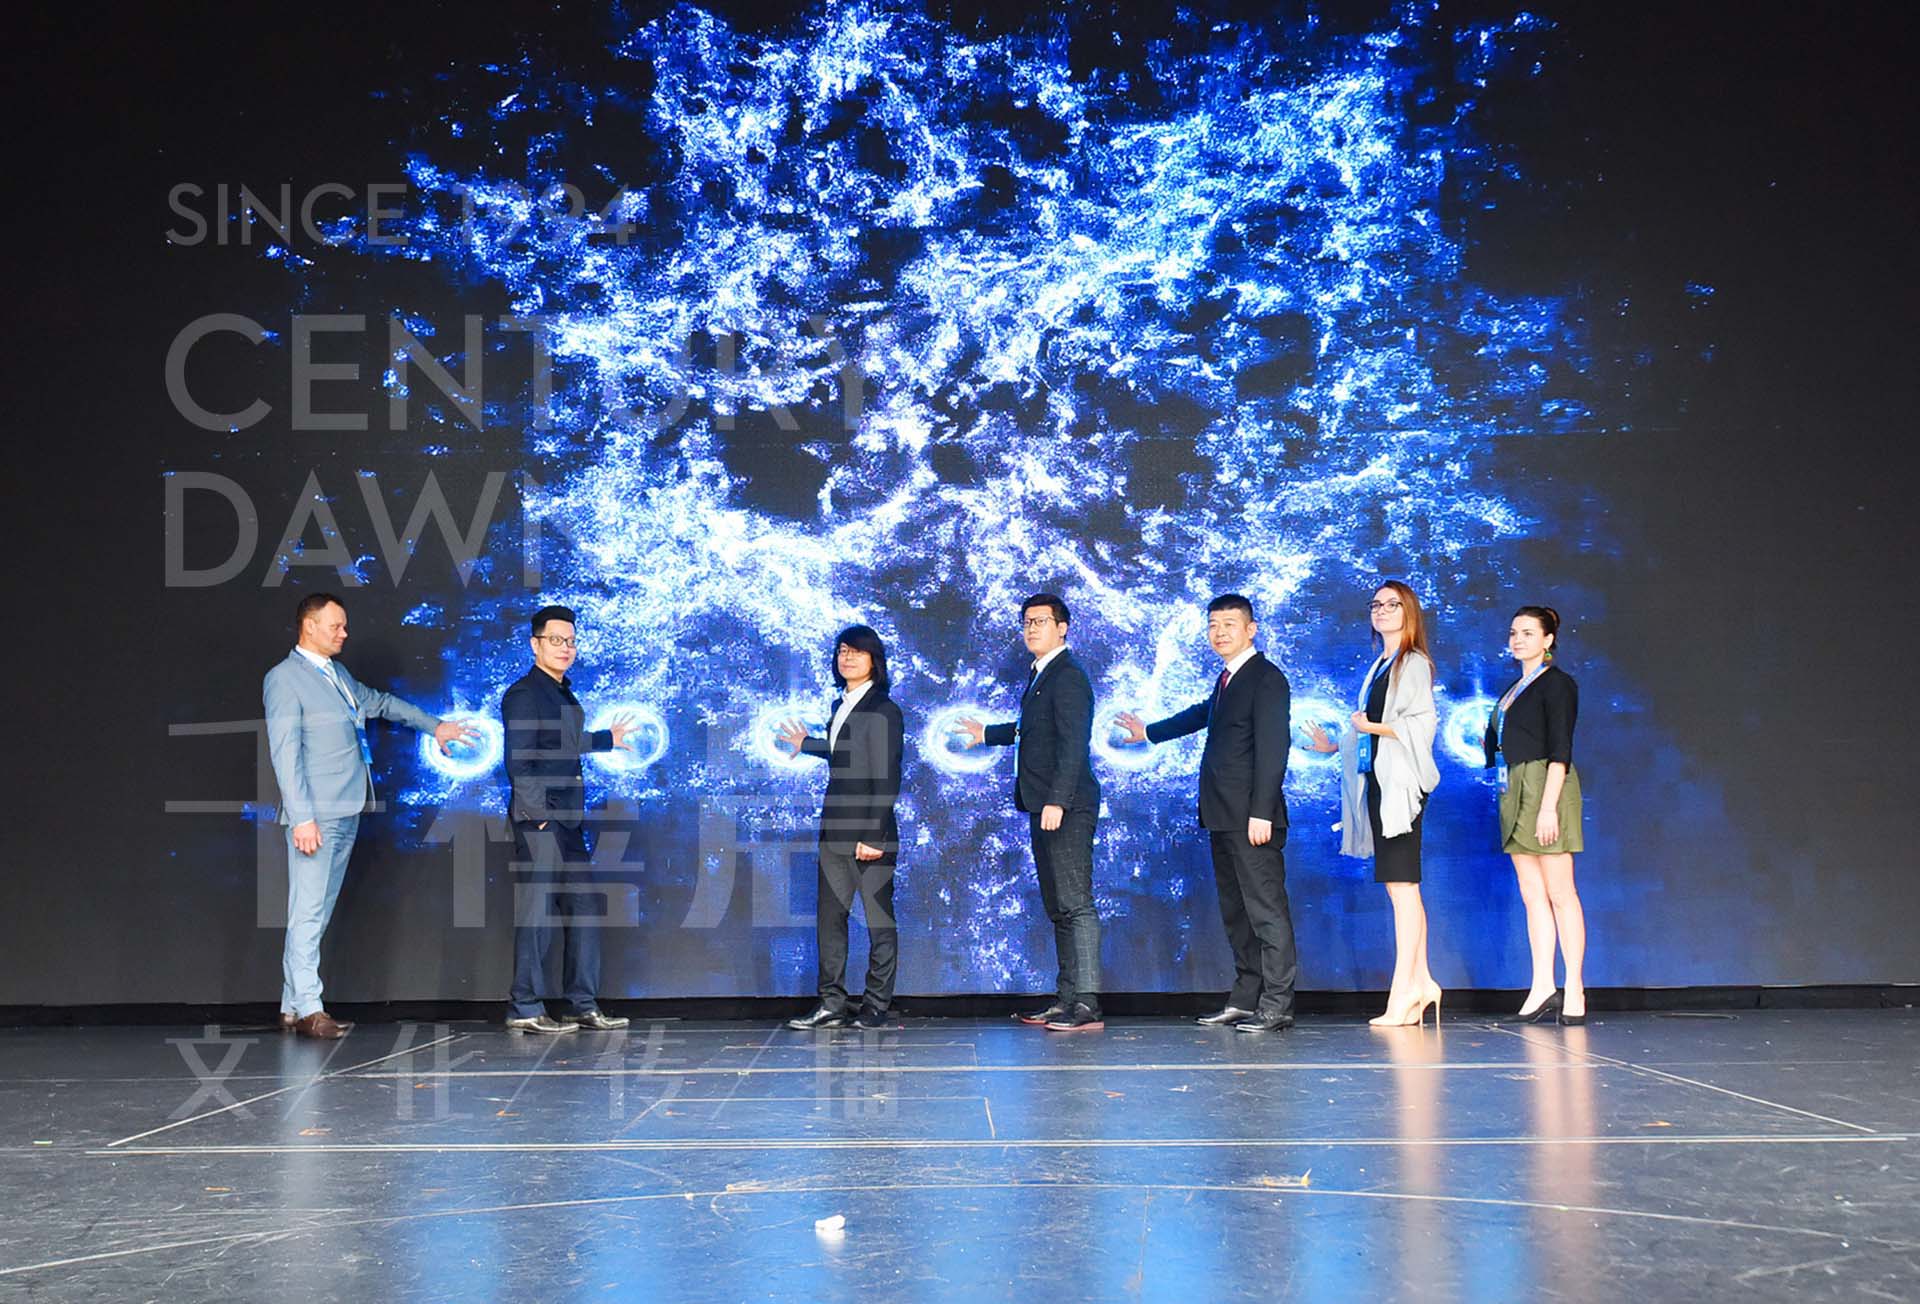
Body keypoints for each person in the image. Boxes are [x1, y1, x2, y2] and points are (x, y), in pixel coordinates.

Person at [263, 593, 477, 1039]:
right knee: (308, 912)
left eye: (344, 626)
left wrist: (435, 726)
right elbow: (285, 755)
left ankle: (291, 1004)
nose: (344, 633)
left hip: (347, 807)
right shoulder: (284, 679)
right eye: (335, 626)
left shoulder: (337, 674)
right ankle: (310, 1008)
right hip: (316, 814)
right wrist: (302, 818)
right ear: (308, 626)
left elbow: (380, 703)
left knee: (316, 911)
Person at [1116, 594, 1298, 1033]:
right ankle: (1245, 998)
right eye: (1213, 625)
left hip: (1251, 819)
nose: (1219, 632)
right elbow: (1202, 715)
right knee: (1237, 913)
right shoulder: (1228, 679)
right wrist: (1150, 732)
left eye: (1229, 624)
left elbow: (1274, 749)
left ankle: (1277, 1004)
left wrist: (1262, 812)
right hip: (1222, 815)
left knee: (1266, 911)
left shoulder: (1266, 678)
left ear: (1251, 629)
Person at [954, 594, 1105, 1032]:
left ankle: (1087, 1002)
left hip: (1065, 806)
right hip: (1043, 804)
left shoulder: (1068, 675)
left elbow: (1074, 743)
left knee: (1076, 904)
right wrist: (987, 733)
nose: (1032, 628)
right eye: (1027, 622)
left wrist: (1058, 799)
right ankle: (1067, 997)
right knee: (1059, 907)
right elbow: (1032, 730)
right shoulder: (1042, 674)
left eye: (1041, 621)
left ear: (1063, 627)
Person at [1309, 581, 1442, 1026]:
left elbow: (1421, 725)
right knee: (1399, 888)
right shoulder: (1382, 664)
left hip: (1401, 788)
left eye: (1392, 604)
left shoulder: (1413, 663)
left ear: (1409, 612)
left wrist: (1372, 728)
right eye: (1376, 605)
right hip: (1380, 784)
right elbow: (1369, 728)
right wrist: (1335, 746)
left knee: (1403, 888)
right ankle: (1421, 982)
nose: (1382, 610)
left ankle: (1405, 991)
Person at [501, 604, 639, 1034]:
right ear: (535, 644)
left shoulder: (561, 692)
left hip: (569, 821)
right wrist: (539, 817)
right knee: (538, 915)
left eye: (571, 641)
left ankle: (582, 1004)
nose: (565, 648)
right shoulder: (525, 694)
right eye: (556, 640)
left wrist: (607, 740)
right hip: (542, 820)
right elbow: (519, 762)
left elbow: (564, 741)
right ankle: (525, 1006)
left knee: (583, 910)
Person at [778, 625, 906, 1032]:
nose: (847, 658)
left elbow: (886, 775)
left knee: (878, 922)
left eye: (857, 652)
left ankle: (875, 1005)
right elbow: (845, 753)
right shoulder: (842, 704)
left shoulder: (884, 709)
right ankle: (831, 1003)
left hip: (869, 836)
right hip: (834, 831)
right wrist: (808, 744)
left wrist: (873, 834)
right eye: (842, 651)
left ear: (874, 660)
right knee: (830, 921)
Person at [1483, 605, 1588, 1025]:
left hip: (1547, 784)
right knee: (1532, 894)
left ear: (1548, 640)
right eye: (1514, 632)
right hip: (1515, 785)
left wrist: (1548, 807)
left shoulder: (1557, 683)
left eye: (1528, 633)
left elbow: (1561, 749)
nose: (1518, 639)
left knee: (1561, 893)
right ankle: (1542, 984)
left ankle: (1575, 986)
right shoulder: (1514, 688)